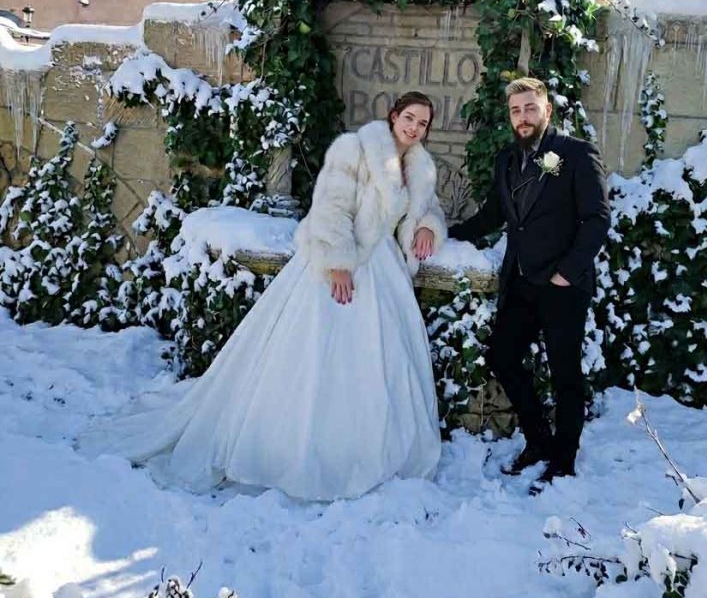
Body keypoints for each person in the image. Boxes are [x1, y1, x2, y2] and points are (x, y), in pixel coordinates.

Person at [82, 92, 446, 501]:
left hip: (384, 268)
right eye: (409, 118)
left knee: (377, 360)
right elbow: (330, 207)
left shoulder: (419, 167)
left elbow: (427, 208)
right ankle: (296, 448)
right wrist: (338, 262)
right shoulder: (357, 150)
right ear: (394, 116)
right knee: (314, 355)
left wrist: (427, 226)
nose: (414, 128)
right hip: (341, 259)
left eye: (423, 123)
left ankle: (367, 448)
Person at [448, 77, 609, 490]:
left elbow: (597, 219)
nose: (523, 117)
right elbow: (494, 215)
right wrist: (446, 235)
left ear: (547, 111)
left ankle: (564, 460)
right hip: (520, 283)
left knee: (565, 375)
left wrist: (567, 272)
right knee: (502, 357)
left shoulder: (575, 153)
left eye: (530, 108)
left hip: (562, 286)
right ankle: (538, 441)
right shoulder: (507, 158)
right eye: (516, 110)